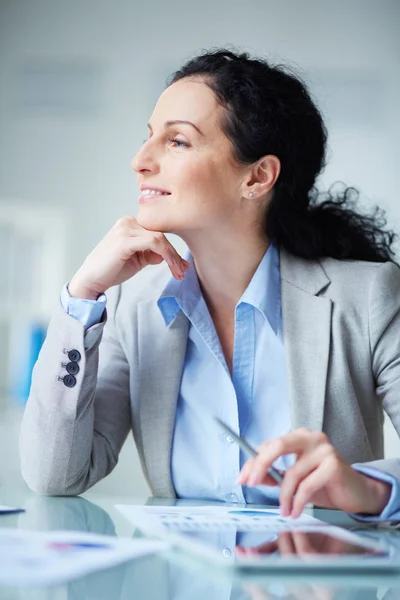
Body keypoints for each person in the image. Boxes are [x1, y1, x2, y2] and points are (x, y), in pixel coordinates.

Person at [20, 48, 400, 522]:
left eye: (177, 141)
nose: (140, 160)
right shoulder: (131, 305)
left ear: (258, 177)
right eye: (148, 138)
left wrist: (367, 488)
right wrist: (82, 296)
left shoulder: (367, 298)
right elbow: (57, 475)